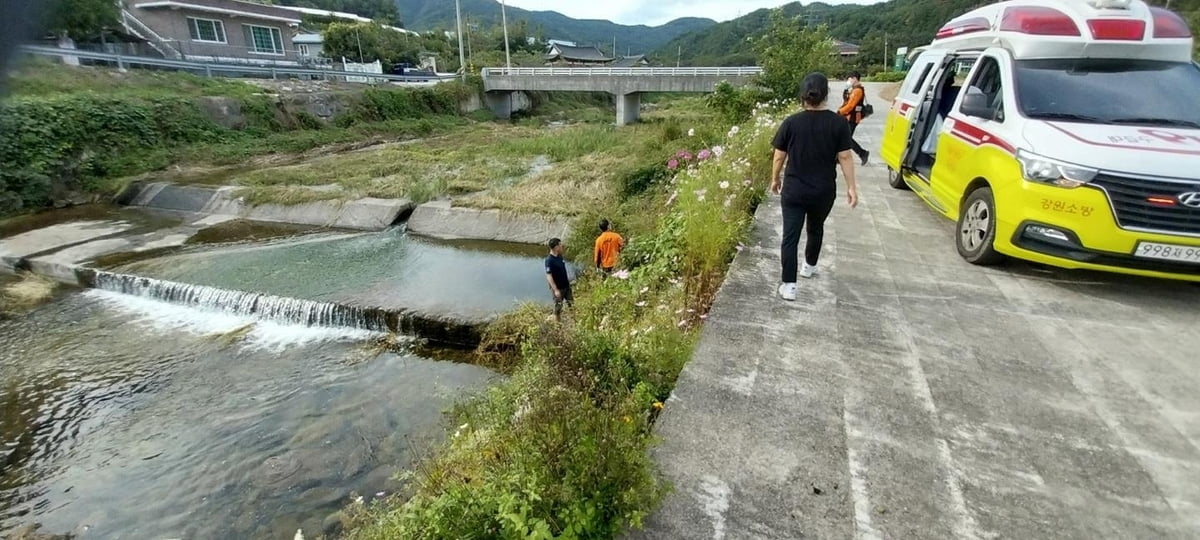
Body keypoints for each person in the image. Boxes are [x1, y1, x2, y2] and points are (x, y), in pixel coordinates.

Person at [770, 72, 860, 301]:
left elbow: (779, 156)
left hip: (794, 190)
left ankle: (789, 286)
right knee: (816, 227)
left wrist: (775, 178)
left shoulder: (791, 122)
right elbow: (846, 157)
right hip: (823, 190)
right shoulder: (838, 122)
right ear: (826, 94)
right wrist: (852, 187)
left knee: (790, 236)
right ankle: (809, 266)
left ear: (803, 96)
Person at [838, 71, 870, 165]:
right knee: (844, 137)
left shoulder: (857, 91)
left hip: (853, 118)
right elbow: (847, 102)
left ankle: (862, 153)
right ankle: (838, 157)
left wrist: (840, 112)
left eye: (850, 78)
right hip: (849, 117)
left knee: (846, 138)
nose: (848, 81)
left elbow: (851, 105)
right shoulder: (854, 89)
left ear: (855, 78)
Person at [545, 237, 572, 321]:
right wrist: (555, 290)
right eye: (560, 245)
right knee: (558, 308)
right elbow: (549, 276)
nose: (562, 246)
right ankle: (558, 323)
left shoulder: (560, 256)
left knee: (571, 303)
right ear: (556, 247)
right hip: (558, 288)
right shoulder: (549, 260)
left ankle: (574, 320)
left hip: (566, 286)